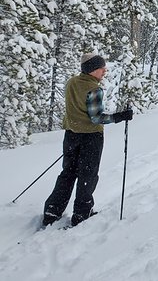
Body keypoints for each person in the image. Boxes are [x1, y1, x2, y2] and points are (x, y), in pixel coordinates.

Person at [42, 53, 134, 227]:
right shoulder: (93, 89)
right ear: (92, 70)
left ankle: (52, 210)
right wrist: (121, 116)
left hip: (71, 135)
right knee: (88, 175)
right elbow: (97, 118)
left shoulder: (72, 82)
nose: (104, 71)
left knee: (68, 173)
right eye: (101, 68)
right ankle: (81, 214)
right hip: (90, 137)